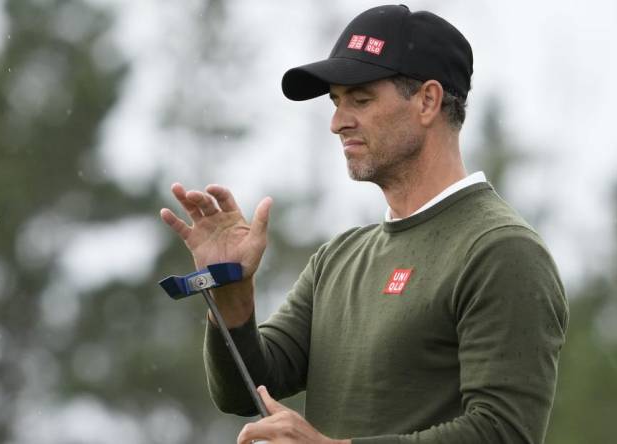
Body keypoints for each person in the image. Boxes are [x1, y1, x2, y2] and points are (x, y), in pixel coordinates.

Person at [160, 4, 568, 443]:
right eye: (336, 102)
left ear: (428, 101)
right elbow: (247, 392)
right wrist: (231, 297)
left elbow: (503, 432)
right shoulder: (337, 259)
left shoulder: (501, 250)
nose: (337, 122)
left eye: (361, 99)